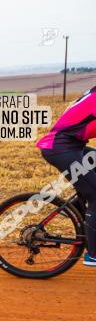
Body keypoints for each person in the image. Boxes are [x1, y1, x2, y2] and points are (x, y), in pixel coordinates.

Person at [36, 86, 96, 265]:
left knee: (90, 188)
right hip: (61, 148)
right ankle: (93, 255)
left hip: (73, 146)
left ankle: (76, 208)